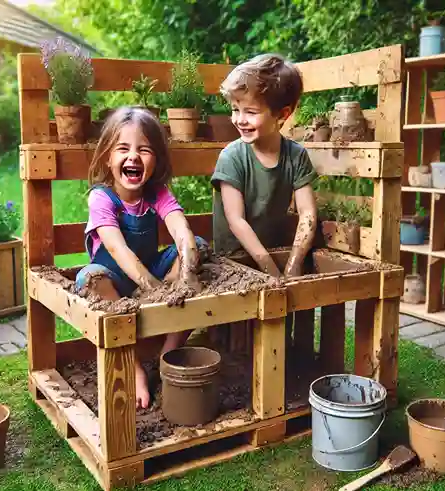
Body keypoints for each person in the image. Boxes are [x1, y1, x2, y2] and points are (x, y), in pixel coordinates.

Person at [76, 106, 204, 409]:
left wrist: (187, 273)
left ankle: (167, 356)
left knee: (198, 249)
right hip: (115, 281)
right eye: (123, 148)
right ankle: (134, 368)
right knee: (89, 278)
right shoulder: (101, 198)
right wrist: (154, 289)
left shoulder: (157, 193)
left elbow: (181, 230)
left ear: (155, 159)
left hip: (150, 270)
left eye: (143, 150)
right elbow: (118, 250)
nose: (133, 156)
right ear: (108, 157)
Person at [211, 53, 318, 278]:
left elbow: (307, 213)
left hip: (276, 252)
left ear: (283, 114)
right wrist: (271, 271)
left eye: (250, 112)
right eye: (234, 109)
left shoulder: (296, 156)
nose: (240, 119)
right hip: (233, 263)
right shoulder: (231, 157)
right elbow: (236, 220)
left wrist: (294, 263)